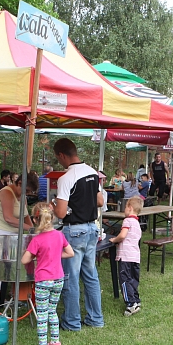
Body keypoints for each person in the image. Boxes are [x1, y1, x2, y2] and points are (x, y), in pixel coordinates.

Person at [52, 138, 105, 330]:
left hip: (74, 232)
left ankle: (72, 321)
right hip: (92, 228)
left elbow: (60, 213)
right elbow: (100, 201)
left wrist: (53, 205)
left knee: (71, 277)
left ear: (62, 155)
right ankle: (96, 318)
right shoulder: (92, 172)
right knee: (91, 275)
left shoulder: (66, 178)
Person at [22, 202, 74, 345]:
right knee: (52, 311)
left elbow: (24, 260)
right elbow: (70, 253)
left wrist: (38, 256)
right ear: (52, 218)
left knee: (42, 313)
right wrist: (55, 255)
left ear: (35, 220)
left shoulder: (37, 240)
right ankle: (55, 342)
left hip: (43, 280)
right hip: (58, 278)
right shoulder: (59, 235)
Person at [109, 196, 144, 315]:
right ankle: (136, 299)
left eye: (125, 207)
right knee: (133, 279)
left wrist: (115, 240)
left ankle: (130, 304)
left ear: (130, 208)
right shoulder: (137, 223)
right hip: (135, 256)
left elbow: (123, 235)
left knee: (124, 280)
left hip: (125, 256)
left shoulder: (127, 221)